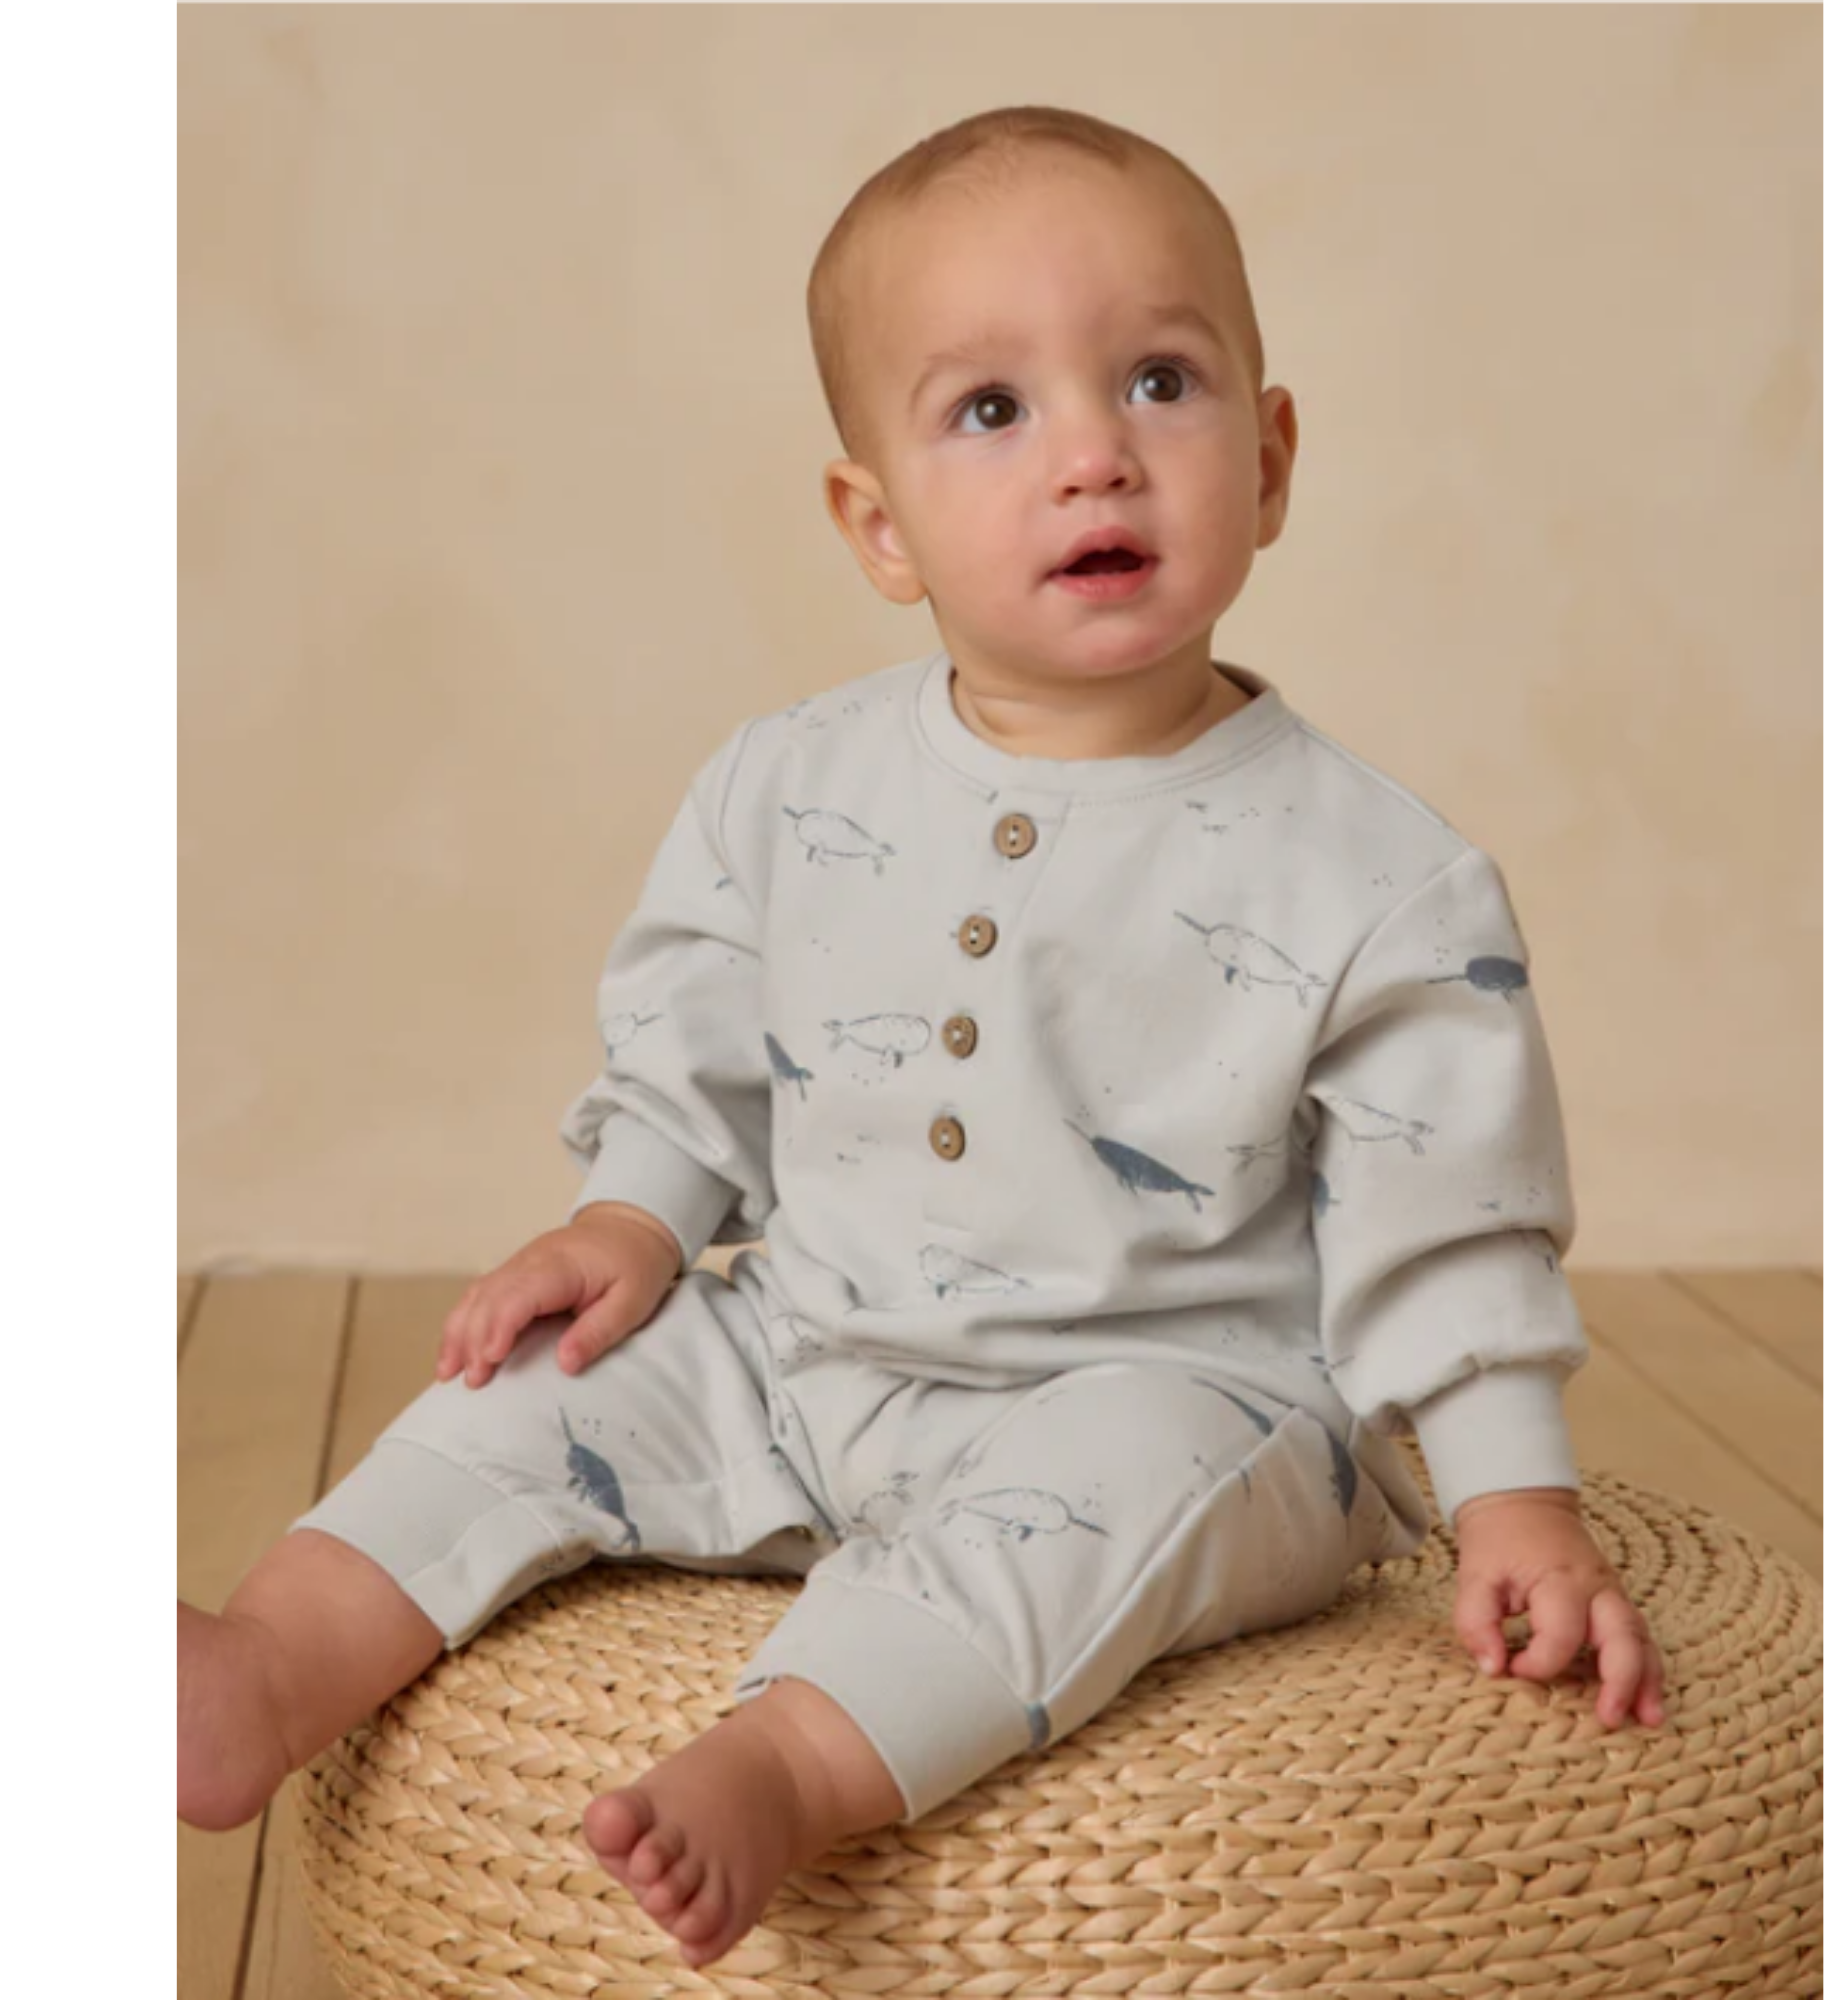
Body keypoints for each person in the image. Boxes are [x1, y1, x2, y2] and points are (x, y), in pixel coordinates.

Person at [176, 105, 1667, 1974]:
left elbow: (1452, 1213)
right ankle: (271, 1666)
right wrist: (631, 1217)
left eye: (1161, 381)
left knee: (1119, 1488)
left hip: (1181, 1391)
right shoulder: (789, 784)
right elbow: (698, 1036)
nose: (1094, 453)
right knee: (536, 1381)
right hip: (810, 1347)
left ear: (1272, 461)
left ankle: (796, 1760)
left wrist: (1516, 1499)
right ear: (878, 526)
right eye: (992, 409)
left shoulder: (1374, 872)